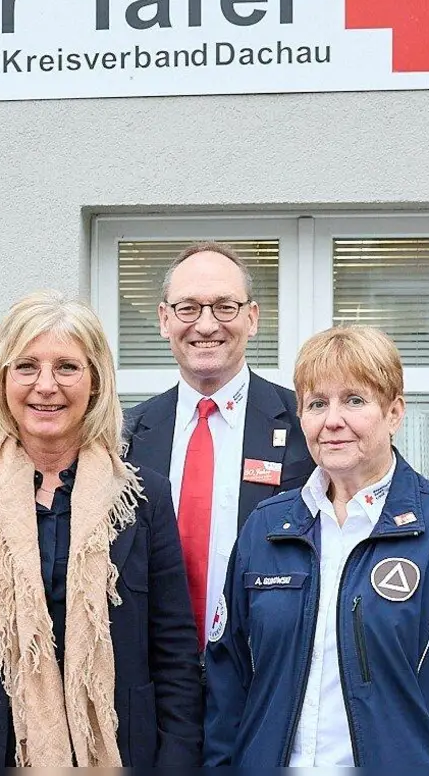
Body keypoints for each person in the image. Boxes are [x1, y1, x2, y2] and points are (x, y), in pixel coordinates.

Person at [0, 291, 202, 767]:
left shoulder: (145, 498)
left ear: (95, 382)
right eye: (26, 367)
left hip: (117, 753)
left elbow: (175, 655)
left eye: (66, 367)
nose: (45, 386)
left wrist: (176, 762)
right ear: (3, 381)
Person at [206, 325, 429, 767]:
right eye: (317, 404)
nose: (332, 421)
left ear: (394, 413)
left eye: (354, 400)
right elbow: (227, 688)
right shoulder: (265, 528)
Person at [124, 241, 315, 641]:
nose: (207, 325)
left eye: (225, 307)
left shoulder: (306, 425)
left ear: (252, 318)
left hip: (266, 662)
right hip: (156, 666)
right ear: (164, 320)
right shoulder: (124, 437)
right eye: (188, 308)